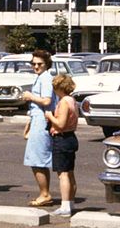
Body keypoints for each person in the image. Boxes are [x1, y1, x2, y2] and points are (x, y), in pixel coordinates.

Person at [20, 49, 56, 207]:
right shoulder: (42, 78)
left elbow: (47, 101)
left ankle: (45, 193)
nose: (36, 66)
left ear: (47, 64)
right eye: (33, 64)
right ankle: (44, 193)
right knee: (38, 159)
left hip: (42, 121)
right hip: (38, 119)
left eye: (39, 64)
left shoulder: (45, 79)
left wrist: (30, 96)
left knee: (37, 160)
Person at [44, 74, 79, 217]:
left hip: (62, 138)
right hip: (71, 137)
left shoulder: (64, 102)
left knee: (63, 174)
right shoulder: (73, 100)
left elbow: (61, 123)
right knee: (70, 172)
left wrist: (50, 116)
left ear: (60, 88)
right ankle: (70, 202)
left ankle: (65, 207)